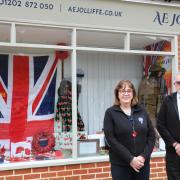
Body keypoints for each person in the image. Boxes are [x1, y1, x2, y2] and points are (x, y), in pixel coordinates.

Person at [103, 80, 155, 180]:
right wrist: (130, 159)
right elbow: (111, 139)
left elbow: (151, 136)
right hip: (120, 164)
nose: (126, 93)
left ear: (133, 94)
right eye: (122, 91)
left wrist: (143, 157)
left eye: (129, 91)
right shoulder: (110, 113)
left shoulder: (142, 111)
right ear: (117, 94)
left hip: (142, 164)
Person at [157, 73, 180, 180]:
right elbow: (160, 124)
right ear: (175, 84)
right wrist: (175, 144)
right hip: (173, 152)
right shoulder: (168, 100)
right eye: (179, 83)